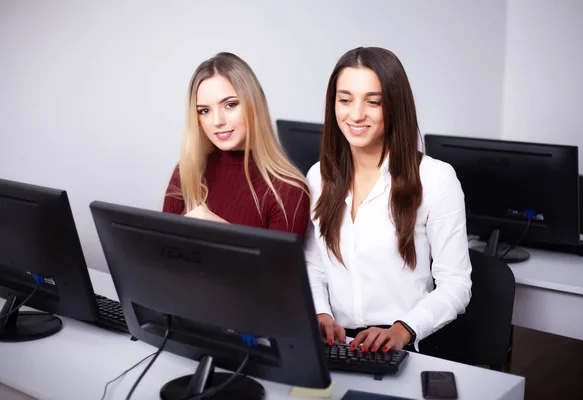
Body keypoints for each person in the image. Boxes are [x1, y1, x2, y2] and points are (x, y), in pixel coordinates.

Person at [305, 47, 472, 352]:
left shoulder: (436, 179)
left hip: (401, 342)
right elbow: (314, 264)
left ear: (395, 107)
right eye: (345, 100)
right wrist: (321, 312)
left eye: (373, 102)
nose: (356, 114)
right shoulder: (318, 176)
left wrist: (403, 329)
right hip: (336, 343)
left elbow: (456, 284)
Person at [163, 52, 310, 239]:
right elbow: (161, 257)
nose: (217, 121)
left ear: (253, 104)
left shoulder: (289, 191)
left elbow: (274, 268)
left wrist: (225, 233)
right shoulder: (187, 172)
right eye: (204, 110)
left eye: (230, 105)